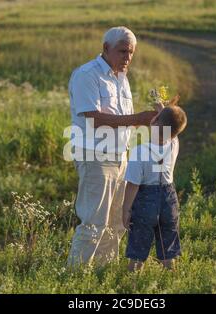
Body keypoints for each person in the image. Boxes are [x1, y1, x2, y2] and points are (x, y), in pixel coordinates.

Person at [67, 26, 160, 267]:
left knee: (117, 222)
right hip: (95, 155)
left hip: (121, 156)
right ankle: (75, 280)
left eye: (131, 52)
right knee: (93, 222)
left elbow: (122, 117)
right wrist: (137, 119)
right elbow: (93, 118)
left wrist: (154, 118)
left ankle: (102, 272)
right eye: (122, 51)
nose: (127, 57)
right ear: (106, 48)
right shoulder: (87, 75)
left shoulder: (122, 77)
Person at [122, 105, 187, 271]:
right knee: (168, 248)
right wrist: (162, 112)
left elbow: (133, 185)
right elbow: (170, 128)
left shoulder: (139, 151)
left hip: (145, 200)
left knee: (138, 245)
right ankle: (170, 277)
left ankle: (133, 282)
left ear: (155, 121)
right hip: (168, 198)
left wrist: (126, 210)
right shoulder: (173, 144)